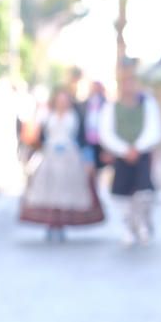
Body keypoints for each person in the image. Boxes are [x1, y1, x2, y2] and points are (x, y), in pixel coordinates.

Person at [18, 88, 104, 239]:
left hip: (70, 156)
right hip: (50, 155)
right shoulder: (47, 116)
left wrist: (88, 160)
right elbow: (38, 137)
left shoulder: (75, 117)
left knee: (66, 190)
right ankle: (51, 223)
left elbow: (83, 140)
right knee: (49, 190)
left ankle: (62, 222)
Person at [99, 58, 161, 246]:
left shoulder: (148, 104)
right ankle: (128, 226)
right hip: (122, 157)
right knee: (122, 195)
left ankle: (143, 223)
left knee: (144, 193)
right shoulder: (111, 107)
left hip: (141, 155)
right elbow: (106, 132)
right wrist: (124, 150)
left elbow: (154, 129)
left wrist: (138, 148)